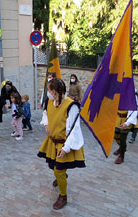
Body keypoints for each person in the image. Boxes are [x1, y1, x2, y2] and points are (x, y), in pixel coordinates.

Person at [38, 78, 85, 210]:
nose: (47, 93)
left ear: (54, 91)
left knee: (58, 170)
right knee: (53, 166)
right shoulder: (50, 101)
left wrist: (66, 148)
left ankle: (63, 196)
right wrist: (46, 123)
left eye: (48, 90)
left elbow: (74, 129)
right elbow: (46, 113)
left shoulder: (71, 106)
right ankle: (61, 176)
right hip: (52, 141)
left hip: (64, 143)